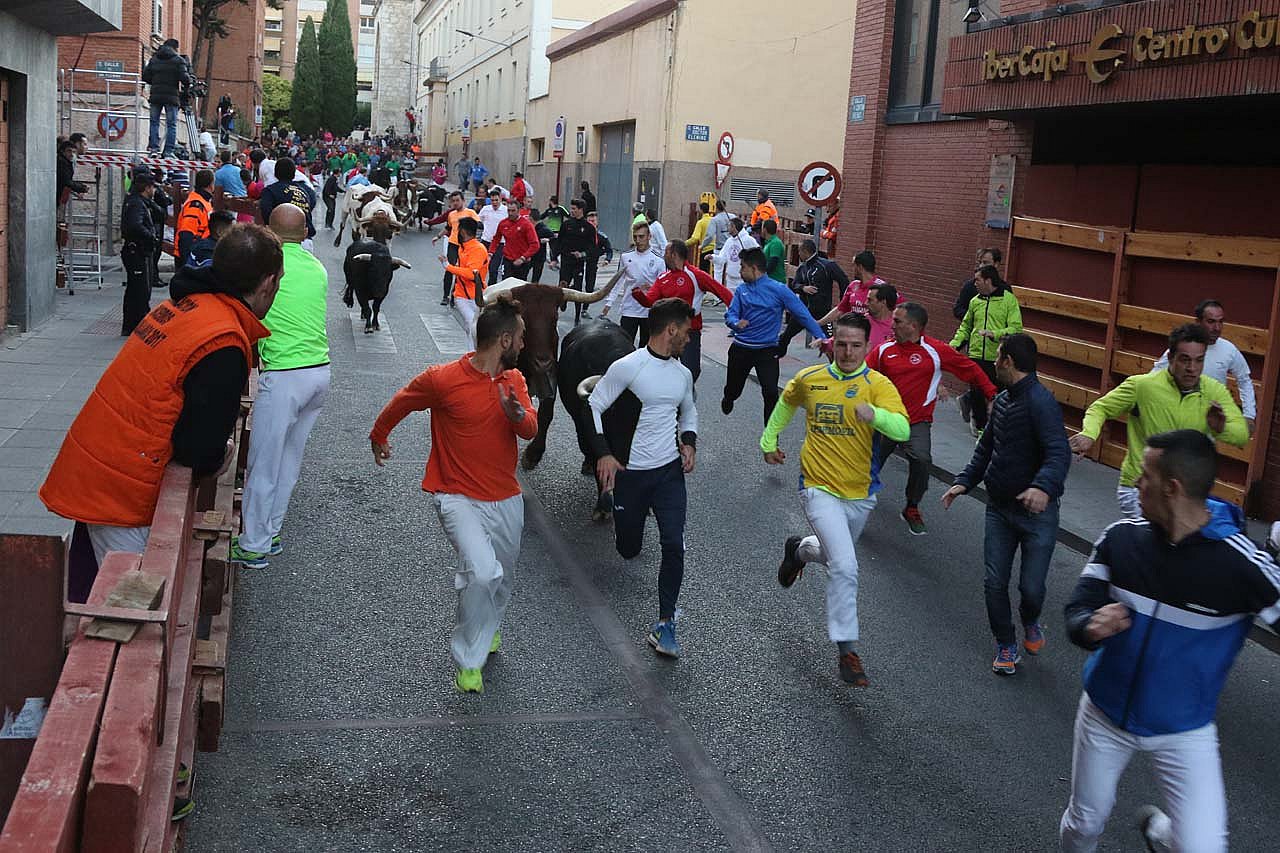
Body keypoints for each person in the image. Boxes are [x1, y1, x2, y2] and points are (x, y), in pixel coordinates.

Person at [1058, 429, 1280, 853]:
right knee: (1085, 823)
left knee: (1202, 848)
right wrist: (1089, 625)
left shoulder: (1243, 564)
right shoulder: (1120, 539)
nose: (1136, 483)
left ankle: (1161, 832)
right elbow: (1077, 608)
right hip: (1104, 714)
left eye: (1145, 476)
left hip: (1184, 730)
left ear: (1172, 488)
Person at [40, 225, 281, 570]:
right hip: (125, 486)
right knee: (126, 587)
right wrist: (220, 454)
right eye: (279, 281)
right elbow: (198, 449)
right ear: (268, 283)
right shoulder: (223, 341)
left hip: (106, 461)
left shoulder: (187, 306)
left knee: (96, 577)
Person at [370, 297, 537, 693]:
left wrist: (517, 415)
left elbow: (530, 429)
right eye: (521, 338)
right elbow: (402, 402)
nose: (524, 345)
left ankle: (489, 626)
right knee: (482, 572)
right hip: (456, 496)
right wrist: (379, 434)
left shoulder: (514, 380)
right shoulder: (442, 379)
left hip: (506, 498)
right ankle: (468, 660)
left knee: (502, 578)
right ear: (505, 340)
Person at [766, 313, 910, 687]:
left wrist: (875, 416)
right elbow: (786, 402)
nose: (847, 352)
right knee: (845, 565)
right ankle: (847, 651)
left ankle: (798, 552)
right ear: (834, 344)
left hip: (860, 493)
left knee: (832, 555)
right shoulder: (811, 379)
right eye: (841, 344)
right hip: (817, 486)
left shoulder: (877, 385)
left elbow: (903, 428)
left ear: (867, 347)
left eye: (855, 346)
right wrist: (769, 440)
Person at [941, 334, 1070, 674]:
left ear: (1008, 361)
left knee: (1031, 588)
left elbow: (1059, 453)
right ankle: (1006, 644)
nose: (994, 363)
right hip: (999, 508)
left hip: (1037, 514)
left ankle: (1030, 619)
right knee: (994, 581)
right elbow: (986, 449)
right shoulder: (1000, 401)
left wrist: (1042, 487)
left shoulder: (1042, 403)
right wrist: (963, 481)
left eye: (998, 357)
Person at [589, 298, 700, 658]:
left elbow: (689, 411)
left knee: (674, 544)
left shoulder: (683, 374)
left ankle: (666, 623)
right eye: (686, 331)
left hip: (668, 473)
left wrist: (688, 441)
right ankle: (616, 505)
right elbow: (594, 405)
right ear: (671, 329)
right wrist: (604, 453)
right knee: (629, 549)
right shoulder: (628, 367)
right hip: (631, 476)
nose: (689, 338)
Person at [230, 206, 330, 568]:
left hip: (284, 374)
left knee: (263, 463)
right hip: (319, 371)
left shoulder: (265, 268)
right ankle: (270, 533)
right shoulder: (317, 268)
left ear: (267, 231)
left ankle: (253, 545)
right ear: (305, 234)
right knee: (289, 460)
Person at [1069, 324, 1248, 520]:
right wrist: (1089, 434)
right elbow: (1101, 408)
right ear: (1170, 358)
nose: (1192, 368)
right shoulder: (1142, 386)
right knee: (1157, 534)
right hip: (1139, 487)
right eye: (1185, 360)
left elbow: (1241, 435)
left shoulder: (1214, 391)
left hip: (1181, 492)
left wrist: (1220, 428)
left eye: (1199, 360)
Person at [869, 302, 995, 534]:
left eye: (897, 321)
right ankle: (856, 499)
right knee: (868, 463)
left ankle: (912, 506)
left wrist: (992, 395)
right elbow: (862, 376)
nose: (892, 325)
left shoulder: (936, 350)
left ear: (913, 326)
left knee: (922, 459)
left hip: (917, 422)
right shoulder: (883, 350)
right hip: (885, 419)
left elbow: (970, 368)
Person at [721, 248, 827, 422]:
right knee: (734, 389)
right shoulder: (741, 290)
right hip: (741, 349)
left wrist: (820, 336)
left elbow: (802, 314)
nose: (740, 272)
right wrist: (735, 323)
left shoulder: (779, 290)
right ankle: (729, 397)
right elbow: (731, 314)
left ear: (754, 268)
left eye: (742, 267)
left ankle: (771, 434)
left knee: (771, 392)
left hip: (767, 351)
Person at [630, 240, 734, 382]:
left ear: (673, 255)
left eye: (666, 252)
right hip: (668, 332)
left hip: (690, 332)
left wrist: (736, 315)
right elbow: (649, 302)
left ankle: (684, 392)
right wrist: (637, 293)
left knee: (691, 371)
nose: (663, 256)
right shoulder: (663, 278)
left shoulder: (696, 275)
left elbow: (723, 293)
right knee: (662, 369)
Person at [1151, 299, 1257, 434]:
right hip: (1177, 419)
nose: (1217, 328)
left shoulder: (1229, 350)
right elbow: (1153, 377)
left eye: (1220, 322)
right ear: (1198, 322)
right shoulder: (1182, 349)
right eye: (1211, 322)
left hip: (1208, 425)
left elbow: (1244, 380)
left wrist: (1249, 415)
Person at [950, 264, 1022, 434]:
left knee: (998, 395)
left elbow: (1016, 328)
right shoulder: (975, 301)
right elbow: (965, 327)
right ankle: (980, 427)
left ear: (988, 280)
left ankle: (996, 428)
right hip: (976, 354)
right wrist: (954, 345)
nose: (974, 283)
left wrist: (994, 334)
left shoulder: (1008, 300)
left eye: (978, 280)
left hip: (997, 357)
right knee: (976, 392)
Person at [954, 247, 1003, 430]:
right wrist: (976, 318)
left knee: (995, 386)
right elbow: (959, 311)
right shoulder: (971, 288)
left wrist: (996, 333)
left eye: (986, 262)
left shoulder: (1005, 292)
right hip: (975, 344)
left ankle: (968, 401)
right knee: (977, 383)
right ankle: (979, 422)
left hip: (996, 349)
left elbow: (1014, 324)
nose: (981, 266)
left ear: (997, 264)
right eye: (980, 262)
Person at [777, 239, 850, 357]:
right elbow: (794, 285)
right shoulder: (802, 268)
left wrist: (843, 302)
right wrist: (803, 288)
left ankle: (836, 365)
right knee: (785, 336)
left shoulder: (827, 265)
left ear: (805, 251)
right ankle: (775, 357)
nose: (798, 254)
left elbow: (843, 280)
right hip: (803, 312)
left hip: (822, 313)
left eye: (799, 251)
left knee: (827, 343)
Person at [603, 219, 664, 347]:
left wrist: (653, 288)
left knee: (646, 348)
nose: (638, 240)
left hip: (649, 311)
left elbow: (663, 286)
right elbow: (618, 280)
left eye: (641, 237)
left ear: (649, 237)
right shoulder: (626, 256)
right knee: (625, 345)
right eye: (635, 237)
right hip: (629, 309)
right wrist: (609, 302)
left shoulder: (658, 259)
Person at [120, 168, 160, 336]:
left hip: (137, 250)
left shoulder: (138, 201)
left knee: (136, 289)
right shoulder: (137, 203)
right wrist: (151, 236)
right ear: (147, 188)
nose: (154, 190)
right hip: (136, 251)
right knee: (139, 290)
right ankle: (137, 324)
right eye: (153, 187)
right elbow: (135, 225)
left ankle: (131, 325)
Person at [439, 217, 489, 349]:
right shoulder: (463, 248)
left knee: (471, 327)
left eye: (458, 230)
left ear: (463, 232)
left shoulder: (478, 249)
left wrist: (448, 267)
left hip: (477, 297)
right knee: (472, 324)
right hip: (461, 296)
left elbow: (472, 274)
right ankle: (472, 355)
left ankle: (473, 353)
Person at [815, 250, 893, 327]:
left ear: (860, 267)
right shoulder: (853, 285)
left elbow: (896, 309)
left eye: (853, 265)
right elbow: (840, 309)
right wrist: (818, 323)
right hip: (854, 331)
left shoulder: (882, 287)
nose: (852, 268)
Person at [429, 190, 479, 306]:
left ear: (463, 201)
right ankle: (445, 296)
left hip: (465, 246)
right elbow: (448, 228)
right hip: (453, 244)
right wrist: (438, 236)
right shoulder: (451, 214)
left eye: (457, 200)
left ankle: (455, 295)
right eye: (453, 201)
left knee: (461, 271)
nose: (455, 203)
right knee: (449, 269)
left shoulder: (470, 213)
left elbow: (479, 225)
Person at [142, 38, 191, 157]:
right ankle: (168, 151)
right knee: (171, 125)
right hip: (171, 97)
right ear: (175, 48)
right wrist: (188, 81)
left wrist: (155, 82)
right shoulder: (178, 60)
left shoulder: (154, 59)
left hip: (155, 96)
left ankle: (154, 149)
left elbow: (145, 76)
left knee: (154, 122)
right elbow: (185, 79)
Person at [258, 158, 318, 243]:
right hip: (305, 240)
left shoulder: (270, 191)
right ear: (294, 174)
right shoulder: (304, 191)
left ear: (275, 174)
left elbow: (266, 215)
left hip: (280, 240)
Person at [557, 199, 598, 322]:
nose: (572, 211)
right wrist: (555, 257)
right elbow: (559, 242)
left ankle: (577, 317)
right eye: (571, 208)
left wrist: (582, 254)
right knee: (562, 286)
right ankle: (561, 303)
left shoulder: (588, 228)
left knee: (578, 289)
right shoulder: (566, 225)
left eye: (574, 209)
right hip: (566, 261)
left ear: (581, 210)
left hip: (578, 263)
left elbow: (592, 247)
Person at [574, 211, 613, 315]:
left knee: (590, 288)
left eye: (593, 221)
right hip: (579, 263)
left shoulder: (601, 236)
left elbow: (609, 249)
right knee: (577, 286)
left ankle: (584, 309)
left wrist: (607, 259)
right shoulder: (581, 234)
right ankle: (576, 308)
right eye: (589, 221)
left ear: (597, 222)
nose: (591, 223)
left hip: (592, 264)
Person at [491, 198, 539, 282]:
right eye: (509, 211)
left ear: (519, 210)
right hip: (507, 259)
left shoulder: (526, 224)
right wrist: (490, 252)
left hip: (522, 262)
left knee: (519, 286)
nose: (510, 213)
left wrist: (523, 257)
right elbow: (496, 239)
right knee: (505, 283)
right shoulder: (503, 223)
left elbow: (535, 244)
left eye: (513, 211)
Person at [174, 169, 215, 269]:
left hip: (198, 253)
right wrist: (187, 264)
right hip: (192, 256)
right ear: (210, 185)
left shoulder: (203, 201)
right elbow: (186, 234)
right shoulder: (195, 205)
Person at [712, 217, 759, 291]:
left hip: (743, 280)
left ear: (734, 227)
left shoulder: (748, 240)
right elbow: (722, 258)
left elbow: (757, 255)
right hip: (730, 280)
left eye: (729, 226)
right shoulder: (729, 241)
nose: (727, 228)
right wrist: (713, 257)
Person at [477, 189, 507, 281]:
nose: (494, 203)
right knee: (480, 266)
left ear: (500, 199)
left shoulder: (505, 210)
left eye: (496, 200)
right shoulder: (486, 209)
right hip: (485, 241)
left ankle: (491, 286)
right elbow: (478, 220)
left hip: (499, 243)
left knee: (493, 269)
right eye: (492, 200)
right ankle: (479, 286)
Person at [56, 139, 88, 214]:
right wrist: (81, 187)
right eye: (69, 151)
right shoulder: (62, 163)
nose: (72, 154)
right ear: (62, 151)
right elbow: (66, 181)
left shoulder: (65, 162)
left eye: (73, 152)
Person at [700, 199, 731, 274]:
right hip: (730, 248)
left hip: (720, 249)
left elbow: (710, 236)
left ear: (716, 208)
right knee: (729, 271)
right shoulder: (732, 217)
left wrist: (702, 245)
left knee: (718, 272)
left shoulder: (715, 219)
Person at [863, 283, 897, 350]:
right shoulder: (863, 322)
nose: (865, 303)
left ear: (883, 302)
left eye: (870, 300)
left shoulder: (898, 325)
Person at [761, 219, 786, 284]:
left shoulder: (775, 243)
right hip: (770, 280)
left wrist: (760, 273)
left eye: (762, 228)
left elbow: (773, 263)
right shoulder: (769, 242)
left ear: (765, 229)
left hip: (776, 281)